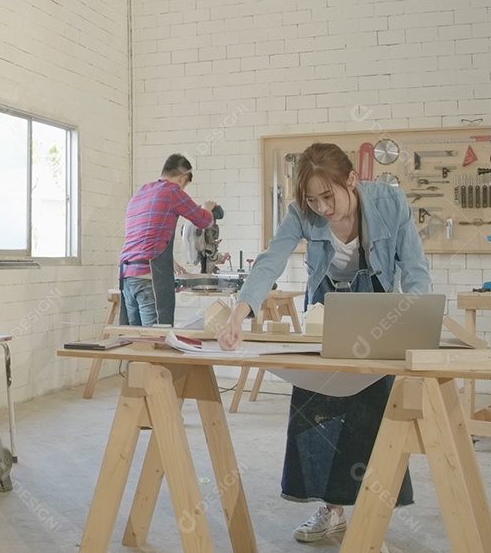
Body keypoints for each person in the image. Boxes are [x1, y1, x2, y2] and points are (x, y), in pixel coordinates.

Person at [216, 143, 430, 546]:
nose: (322, 207)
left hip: (378, 306)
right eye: (313, 200)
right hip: (325, 308)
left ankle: (370, 519)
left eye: (328, 196)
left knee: (372, 411)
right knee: (316, 405)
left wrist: (418, 326)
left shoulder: (389, 201)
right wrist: (238, 312)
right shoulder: (302, 212)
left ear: (351, 180)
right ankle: (331, 513)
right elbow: (271, 260)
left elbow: (415, 269)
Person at [118, 154, 217, 326]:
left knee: (135, 341)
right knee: (156, 339)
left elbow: (146, 237)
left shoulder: (141, 192)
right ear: (183, 179)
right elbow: (204, 221)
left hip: (127, 275)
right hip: (149, 278)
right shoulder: (172, 191)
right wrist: (208, 208)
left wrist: (169, 261)